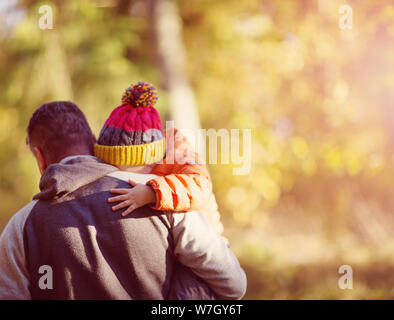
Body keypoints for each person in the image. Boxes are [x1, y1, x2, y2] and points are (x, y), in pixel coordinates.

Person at [0, 101, 246, 299]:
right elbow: (234, 285)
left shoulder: (20, 228)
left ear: (39, 158)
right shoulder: (162, 195)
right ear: (95, 142)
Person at [95, 81, 223, 234]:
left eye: (126, 170)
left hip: (210, 234)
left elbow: (200, 186)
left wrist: (151, 193)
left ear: (150, 161)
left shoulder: (179, 155)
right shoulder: (153, 156)